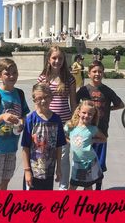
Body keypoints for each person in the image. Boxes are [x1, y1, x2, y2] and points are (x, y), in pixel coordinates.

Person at [0, 58, 30, 190]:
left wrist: (21, 123)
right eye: (7, 73)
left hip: (11, 148)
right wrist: (3, 117)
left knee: (4, 185)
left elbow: (25, 115)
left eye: (14, 72)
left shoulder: (19, 93)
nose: (12, 76)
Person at [76, 60, 125, 190]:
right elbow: (75, 105)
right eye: (94, 71)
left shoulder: (107, 91)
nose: (97, 74)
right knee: (85, 163)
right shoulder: (83, 90)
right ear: (89, 73)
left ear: (103, 73)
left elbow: (120, 104)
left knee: (99, 164)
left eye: (100, 71)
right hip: (86, 133)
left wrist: (108, 109)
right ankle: (86, 186)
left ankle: (97, 188)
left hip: (101, 133)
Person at [37, 45, 77, 190]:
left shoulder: (69, 78)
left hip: (65, 123)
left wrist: (74, 122)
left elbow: (73, 102)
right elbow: (38, 102)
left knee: (63, 157)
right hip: (46, 123)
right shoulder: (42, 78)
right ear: (48, 59)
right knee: (45, 156)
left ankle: (63, 188)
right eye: (54, 58)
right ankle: (44, 186)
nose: (57, 61)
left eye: (60, 58)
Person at [21, 83, 66, 190]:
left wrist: (59, 168)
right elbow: (25, 147)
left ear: (51, 97)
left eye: (46, 97)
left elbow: (59, 146)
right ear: (34, 100)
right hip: (33, 171)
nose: (43, 101)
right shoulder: (31, 119)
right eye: (39, 98)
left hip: (49, 172)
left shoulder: (56, 120)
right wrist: (27, 170)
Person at [64, 100, 106, 190]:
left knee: (88, 185)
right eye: (84, 112)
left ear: (93, 116)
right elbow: (62, 136)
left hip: (90, 162)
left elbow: (104, 139)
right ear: (79, 112)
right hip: (78, 163)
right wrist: (71, 142)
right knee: (73, 186)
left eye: (90, 114)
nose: (86, 116)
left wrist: (93, 140)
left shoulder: (93, 129)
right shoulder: (70, 126)